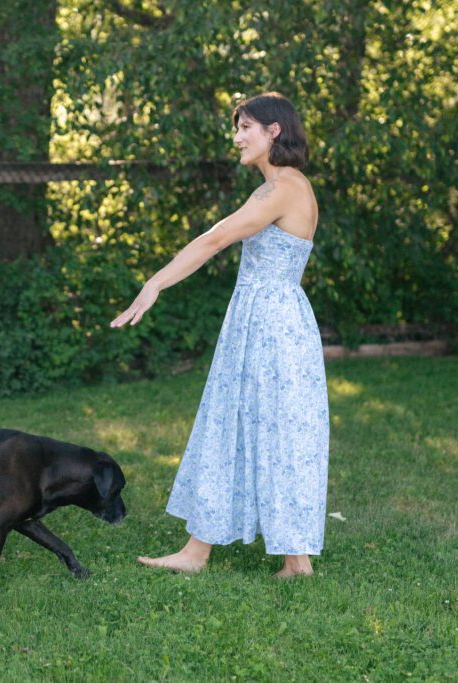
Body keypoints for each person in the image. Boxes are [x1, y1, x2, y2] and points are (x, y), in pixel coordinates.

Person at [111, 92, 329, 578]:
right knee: (247, 424)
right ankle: (260, 556)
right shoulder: (279, 186)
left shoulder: (283, 188)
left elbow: (215, 238)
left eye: (245, 127)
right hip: (265, 319)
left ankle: (254, 556)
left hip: (272, 325)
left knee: (265, 428)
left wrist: (154, 284)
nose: (237, 137)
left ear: (274, 131)